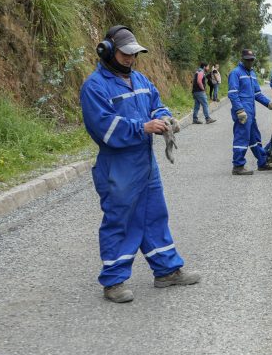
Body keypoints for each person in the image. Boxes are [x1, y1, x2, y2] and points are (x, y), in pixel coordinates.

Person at [80, 25, 201, 303]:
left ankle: (167, 271)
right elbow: (104, 127)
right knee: (120, 220)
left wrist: (165, 118)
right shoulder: (95, 87)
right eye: (125, 53)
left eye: (134, 54)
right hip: (118, 166)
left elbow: (156, 104)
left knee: (154, 215)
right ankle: (113, 281)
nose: (131, 59)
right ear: (107, 51)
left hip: (145, 164)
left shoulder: (141, 80)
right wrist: (142, 127)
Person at [228, 49, 272, 174]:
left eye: (251, 60)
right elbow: (233, 93)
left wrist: (269, 103)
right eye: (247, 60)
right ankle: (238, 166)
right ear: (242, 59)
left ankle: (262, 162)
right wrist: (239, 110)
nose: (249, 62)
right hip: (242, 113)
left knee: (255, 138)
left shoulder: (252, 74)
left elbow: (257, 94)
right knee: (241, 138)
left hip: (251, 112)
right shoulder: (236, 73)